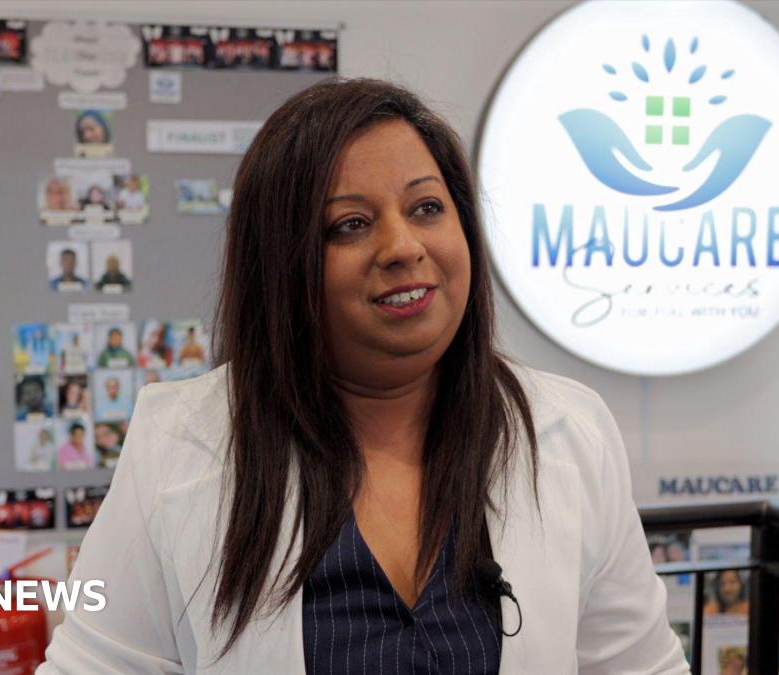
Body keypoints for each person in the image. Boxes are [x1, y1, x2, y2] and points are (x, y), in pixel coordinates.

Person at [39, 79, 688, 673]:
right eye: (350, 224)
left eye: (427, 207)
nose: (404, 246)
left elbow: (641, 667)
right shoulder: (179, 442)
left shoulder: (567, 431)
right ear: (284, 265)